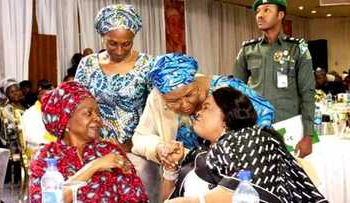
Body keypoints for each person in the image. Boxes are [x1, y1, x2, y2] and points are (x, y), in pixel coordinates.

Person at [161, 87, 327, 203]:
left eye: (206, 107)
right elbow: (168, 200)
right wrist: (170, 170)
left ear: (227, 115)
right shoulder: (198, 154)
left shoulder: (255, 140)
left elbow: (244, 194)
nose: (198, 113)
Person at [132, 53, 275, 163]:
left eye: (189, 95)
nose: (185, 105)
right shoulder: (157, 97)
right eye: (173, 101)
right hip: (187, 173)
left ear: (195, 82)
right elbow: (140, 137)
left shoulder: (226, 89)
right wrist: (158, 148)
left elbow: (264, 119)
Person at [29, 81, 148, 203]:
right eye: (88, 113)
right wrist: (94, 166)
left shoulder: (109, 151)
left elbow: (137, 197)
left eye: (98, 113)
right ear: (66, 119)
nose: (97, 118)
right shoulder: (47, 156)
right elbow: (47, 201)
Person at [232, 0, 315, 158]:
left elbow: (308, 93)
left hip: (288, 129)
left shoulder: (297, 48)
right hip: (255, 128)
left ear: (280, 15)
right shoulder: (248, 49)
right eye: (258, 12)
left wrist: (308, 135)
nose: (260, 15)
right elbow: (235, 91)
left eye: (266, 10)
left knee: (289, 178)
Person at [75, 4, 153, 151]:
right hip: (93, 148)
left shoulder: (147, 64)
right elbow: (77, 107)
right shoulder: (88, 64)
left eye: (126, 44)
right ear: (102, 37)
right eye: (112, 43)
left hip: (136, 150)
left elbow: (154, 112)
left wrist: (131, 145)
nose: (119, 51)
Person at [22, 79, 56, 158]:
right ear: (38, 96)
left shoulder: (57, 110)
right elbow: (31, 137)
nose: (47, 98)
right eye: (43, 94)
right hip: (37, 153)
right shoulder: (30, 113)